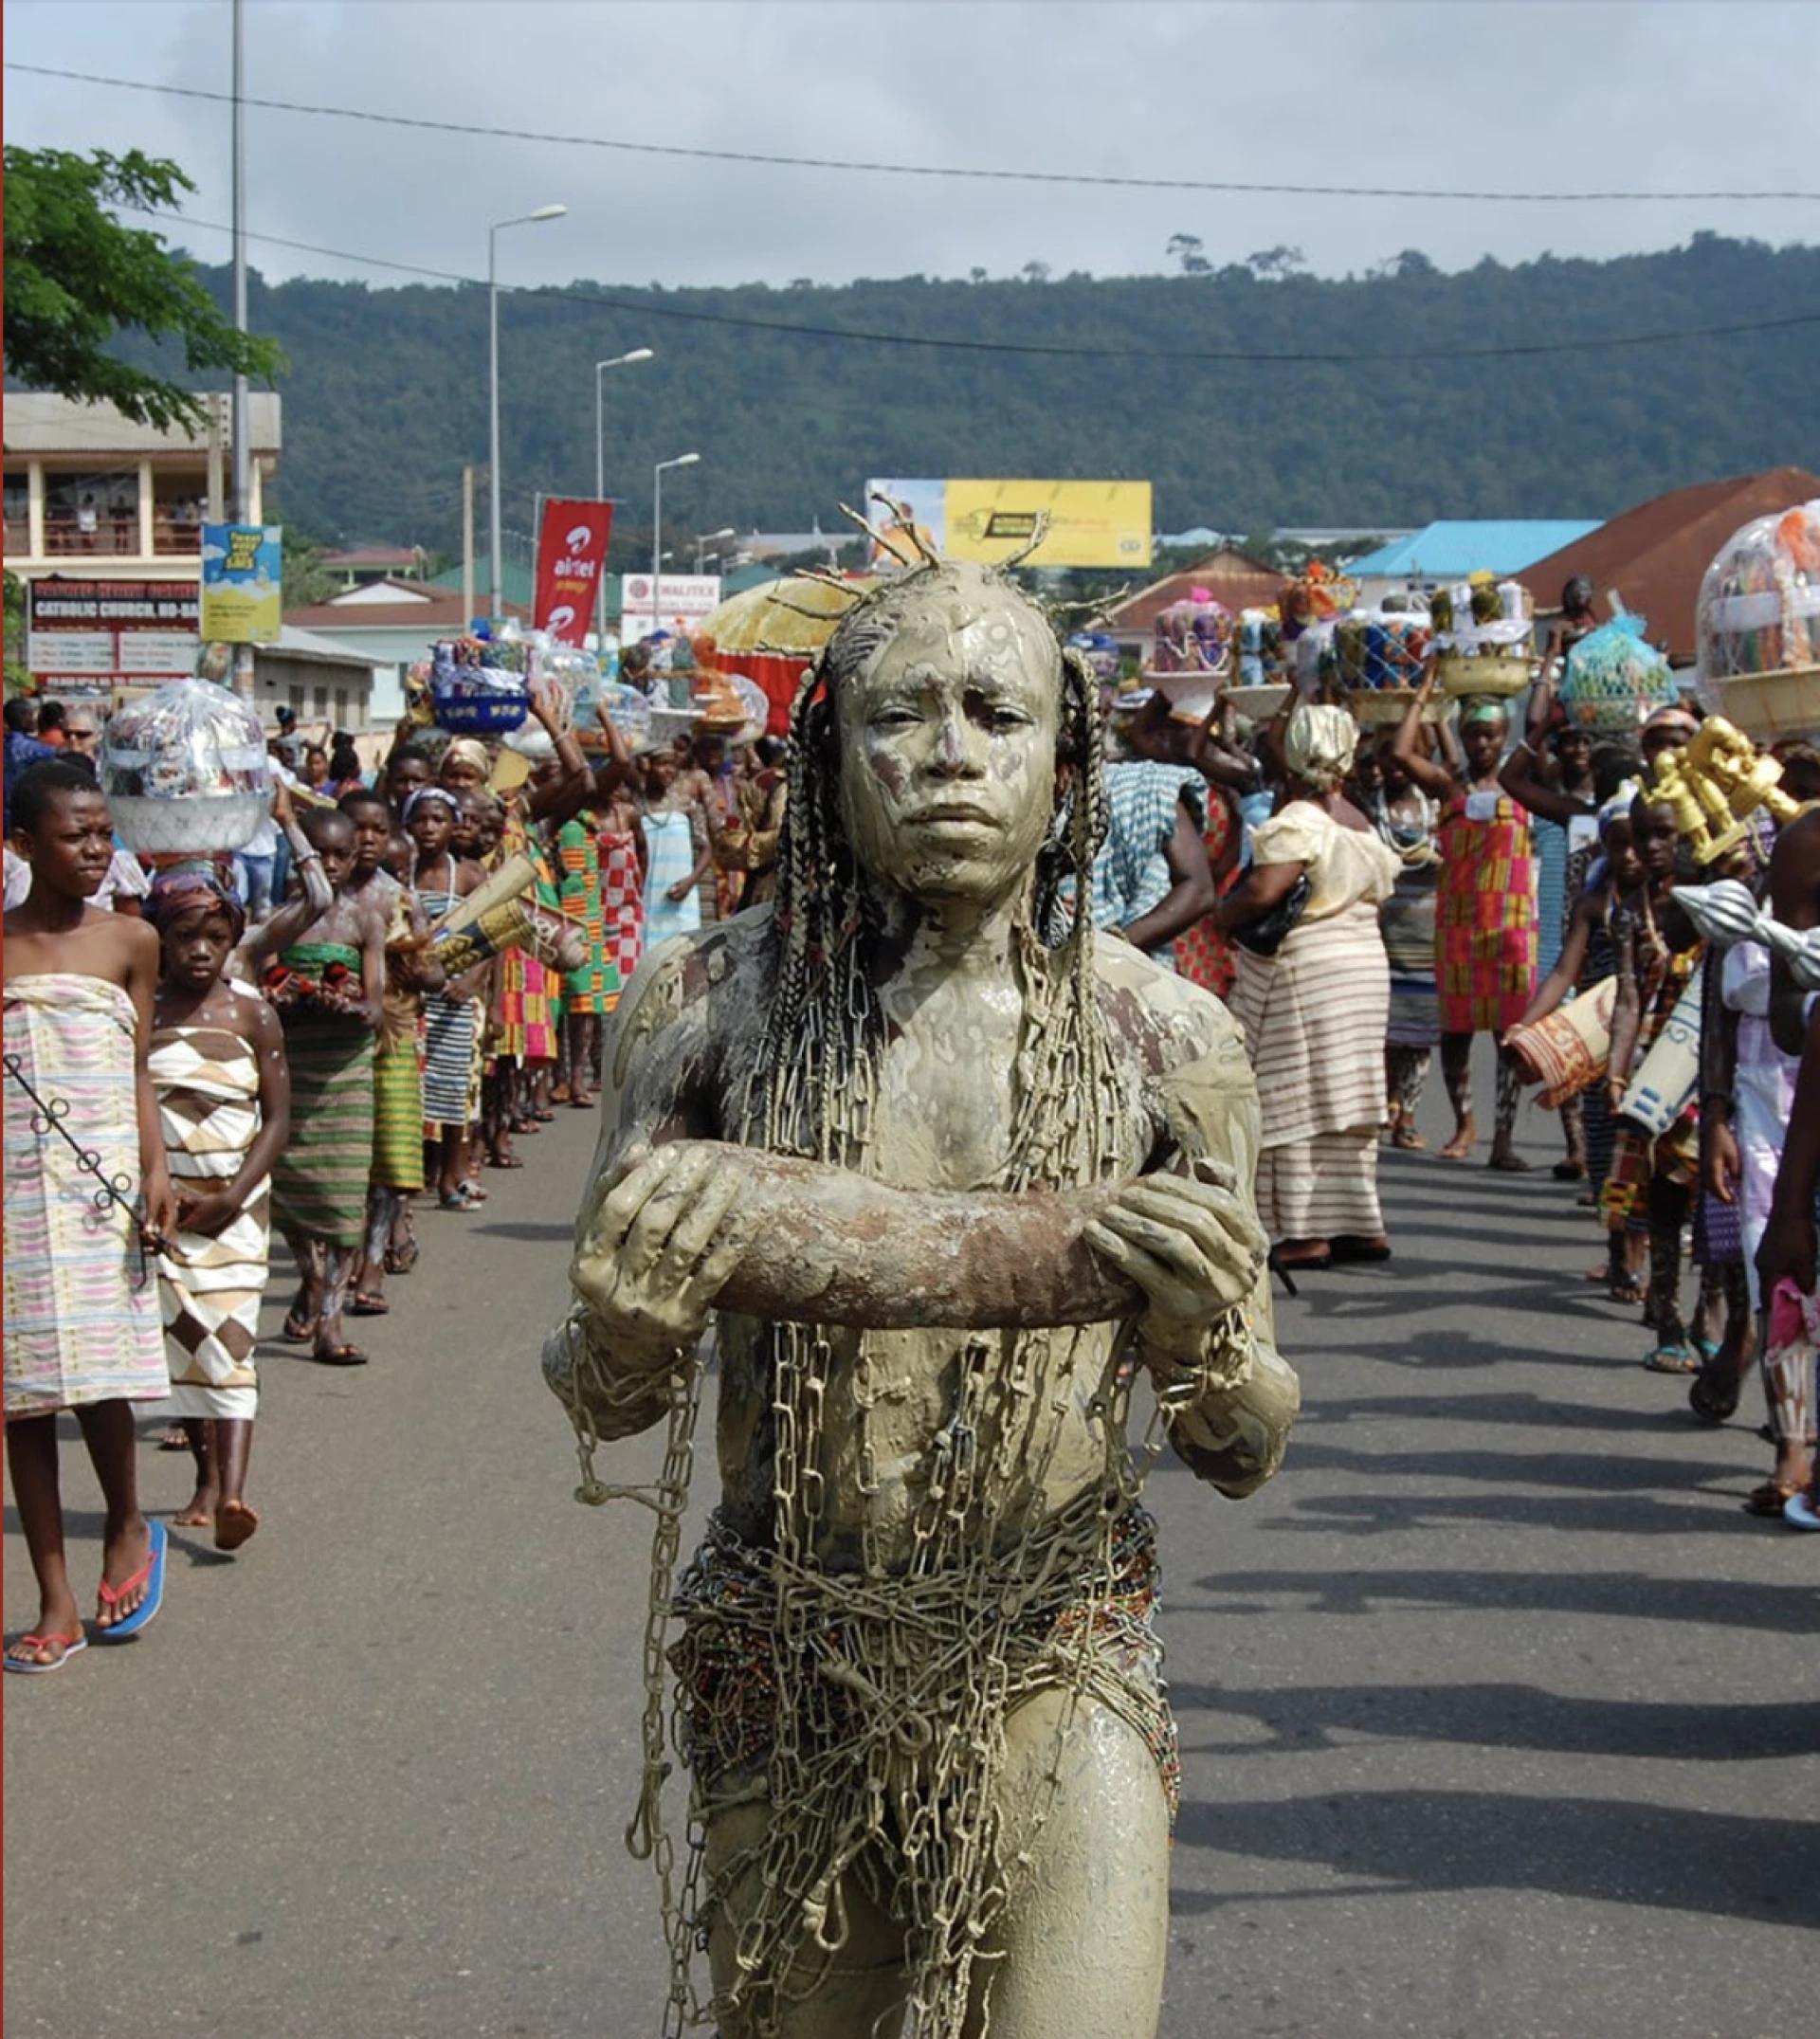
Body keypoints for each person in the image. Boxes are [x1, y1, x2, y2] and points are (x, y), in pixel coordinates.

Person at [544, 557, 1298, 2039]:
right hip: (789, 1648)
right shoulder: (708, 1008)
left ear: (1064, 762)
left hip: (1055, 1644)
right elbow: (602, 1393)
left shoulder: (1168, 1041)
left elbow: (1246, 1441)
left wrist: (1200, 1342)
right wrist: (628, 1326)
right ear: (831, 755)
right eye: (901, 713)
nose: (951, 752)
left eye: (996, 713)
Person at [5, 760, 176, 1669]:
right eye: (75, 836)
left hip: (99, 1189)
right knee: (22, 1394)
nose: (96, 849)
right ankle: (55, 1599)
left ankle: (125, 1520)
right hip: (13, 1195)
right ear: (23, 845)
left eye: (104, 833)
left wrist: (157, 1167)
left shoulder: (132, 940)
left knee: (101, 1375)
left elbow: (136, 1065)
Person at [1220, 704, 1401, 1269]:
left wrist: (1220, 916)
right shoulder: (1358, 818)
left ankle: (1302, 1231)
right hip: (1364, 967)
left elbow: (1264, 890)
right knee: (1346, 1095)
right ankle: (1356, 1223)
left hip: (1309, 971)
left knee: (1293, 1093)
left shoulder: (1298, 820)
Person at [146, 869, 289, 1551]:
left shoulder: (252, 1013)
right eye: (184, 936)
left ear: (234, 941)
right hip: (163, 1208)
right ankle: (205, 1477)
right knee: (183, 1342)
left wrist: (234, 1196)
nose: (200, 950)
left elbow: (278, 1118)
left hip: (235, 1209)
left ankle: (233, 1492)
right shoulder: (143, 1013)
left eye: (215, 937)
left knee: (231, 1343)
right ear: (160, 941)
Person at [248, 807, 387, 1365]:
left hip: (345, 1070)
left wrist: (350, 1006)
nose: (329, 865)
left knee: (345, 1195)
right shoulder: (278, 920)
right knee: (291, 1191)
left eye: (339, 855)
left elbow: (375, 1005)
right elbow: (260, 989)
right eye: (319, 854)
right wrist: (288, 999)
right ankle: (310, 1276)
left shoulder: (365, 920)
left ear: (354, 859)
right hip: (289, 1065)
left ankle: (330, 1318)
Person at [1393, 672, 1536, 1168]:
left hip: (1510, 926)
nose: (1482, 744)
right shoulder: (1450, 785)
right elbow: (1402, 753)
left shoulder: (1521, 785)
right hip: (1458, 927)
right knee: (1455, 1033)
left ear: (1504, 734)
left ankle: (1503, 1138)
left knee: (1508, 1034)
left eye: (1490, 735)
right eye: (1473, 735)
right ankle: (1464, 1122)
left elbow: (1539, 731)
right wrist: (1424, 695)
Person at [338, 788, 441, 1313]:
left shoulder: (402, 900)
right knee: (345, 1160)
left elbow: (435, 972)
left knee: (391, 1158)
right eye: (359, 828)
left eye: (380, 829)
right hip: (336, 1045)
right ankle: (335, 1268)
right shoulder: (323, 899)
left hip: (395, 1040)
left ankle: (373, 1263)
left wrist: (414, 967)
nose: (369, 839)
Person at [407, 786, 486, 1210]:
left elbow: (493, 935)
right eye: (421, 819)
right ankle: (416, 1171)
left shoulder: (470, 876)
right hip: (412, 997)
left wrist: (471, 980)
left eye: (438, 819)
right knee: (414, 1086)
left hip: (455, 998)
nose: (429, 827)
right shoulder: (400, 874)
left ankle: (451, 1176)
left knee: (455, 1086)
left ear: (453, 825)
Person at [1367, 735, 1443, 1149]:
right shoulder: (1368, 805)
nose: (1396, 766)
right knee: (1384, 1029)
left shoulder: (1437, 806)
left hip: (1427, 931)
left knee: (1419, 1031)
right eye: (1389, 757)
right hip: (1381, 930)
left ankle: (1408, 1115)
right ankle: (1385, 1103)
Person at [4, 697, 57, 830]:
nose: (34, 719)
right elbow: (55, 752)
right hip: (23, 809)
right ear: (23, 718)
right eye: (31, 714)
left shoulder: (7, 743)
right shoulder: (26, 746)